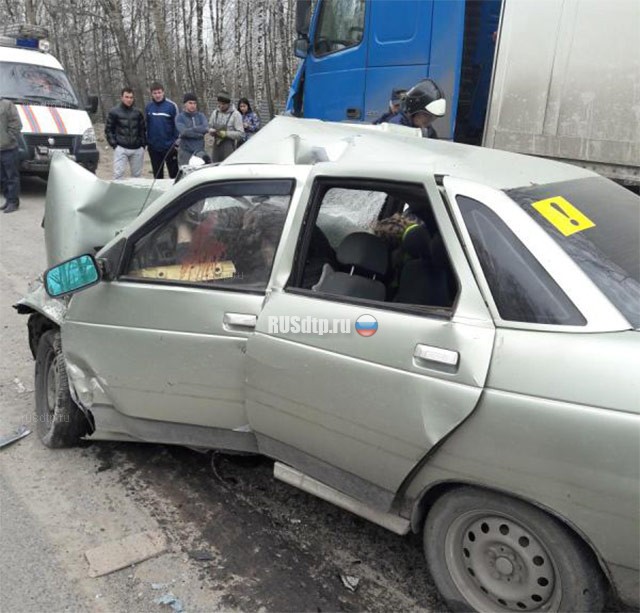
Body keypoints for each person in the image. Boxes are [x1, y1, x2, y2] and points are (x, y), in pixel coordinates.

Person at [105, 87, 146, 179]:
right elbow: (108, 129)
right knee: (118, 175)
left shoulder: (138, 112)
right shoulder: (114, 112)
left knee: (136, 177)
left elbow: (142, 129)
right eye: (127, 97)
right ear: (122, 97)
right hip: (121, 148)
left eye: (131, 97)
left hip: (137, 149)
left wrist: (143, 144)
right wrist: (114, 144)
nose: (129, 100)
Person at [145, 82, 179, 179]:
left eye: (159, 92)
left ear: (163, 92)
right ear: (151, 94)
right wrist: (148, 143)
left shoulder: (171, 106)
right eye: (155, 93)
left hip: (169, 147)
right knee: (157, 177)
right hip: (154, 148)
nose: (157, 95)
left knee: (174, 176)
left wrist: (175, 144)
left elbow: (177, 126)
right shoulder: (148, 107)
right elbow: (147, 125)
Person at [0, 98, 22, 214]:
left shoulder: (7, 104)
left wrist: (9, 138)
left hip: (9, 148)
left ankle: (14, 202)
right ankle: (8, 200)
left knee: (11, 176)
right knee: (2, 177)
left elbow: (16, 123)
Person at [175, 93, 209, 167]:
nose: (192, 105)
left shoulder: (201, 116)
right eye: (190, 103)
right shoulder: (180, 117)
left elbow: (205, 128)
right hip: (185, 152)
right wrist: (199, 132)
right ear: (185, 104)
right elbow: (184, 132)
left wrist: (192, 130)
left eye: (194, 103)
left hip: (199, 152)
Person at [208, 91, 244, 162]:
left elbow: (241, 134)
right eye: (219, 103)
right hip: (216, 147)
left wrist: (226, 134)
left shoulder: (235, 115)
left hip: (229, 147)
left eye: (223, 104)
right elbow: (209, 126)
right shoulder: (215, 113)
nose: (221, 106)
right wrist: (211, 131)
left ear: (229, 104)